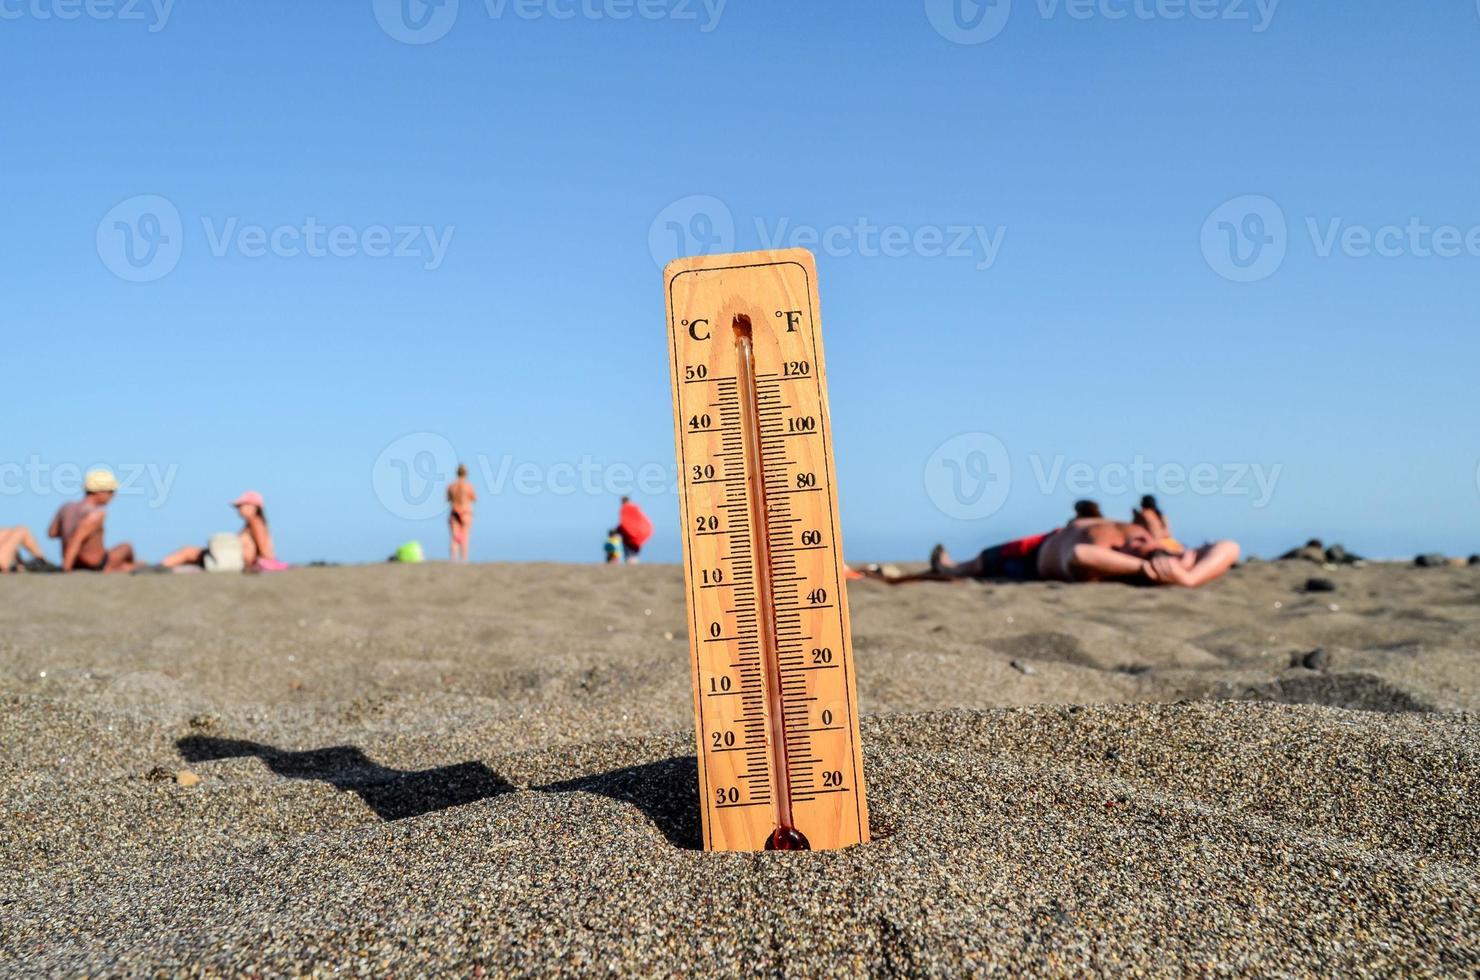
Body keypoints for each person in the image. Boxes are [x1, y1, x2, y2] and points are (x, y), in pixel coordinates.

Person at [874, 503, 1239, 589]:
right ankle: (1087, 513)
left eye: (1140, 547)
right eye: (1142, 539)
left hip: (1037, 552)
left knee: (965, 569)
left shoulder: (1111, 561)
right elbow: (1229, 546)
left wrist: (1146, 569)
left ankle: (947, 566)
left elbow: (1081, 555)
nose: (1138, 541)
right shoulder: (1170, 548)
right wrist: (1191, 573)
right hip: (1071, 531)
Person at [160, 491, 283, 572]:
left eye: (241, 506)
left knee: (187, 551)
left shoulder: (256, 523)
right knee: (188, 553)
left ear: (254, 506)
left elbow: (266, 552)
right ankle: (162, 567)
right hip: (232, 560)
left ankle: (161, 567)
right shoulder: (253, 524)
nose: (239, 509)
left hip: (233, 561)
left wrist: (258, 565)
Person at [48, 468, 137, 572]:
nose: (113, 495)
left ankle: (127, 567)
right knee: (127, 547)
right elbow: (76, 540)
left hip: (76, 561)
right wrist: (66, 569)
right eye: (111, 492)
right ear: (100, 491)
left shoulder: (66, 507)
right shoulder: (96, 514)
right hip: (95, 564)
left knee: (127, 562)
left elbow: (52, 533)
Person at [447, 464, 477, 562]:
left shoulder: (451, 486)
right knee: (465, 537)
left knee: (455, 538)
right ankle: (464, 560)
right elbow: (474, 498)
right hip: (466, 512)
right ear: (466, 474)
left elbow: (448, 499)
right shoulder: (469, 486)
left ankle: (453, 560)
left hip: (454, 511)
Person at [612, 497, 652, 564]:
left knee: (630, 551)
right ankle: (632, 560)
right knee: (632, 551)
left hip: (631, 534)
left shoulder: (625, 509)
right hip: (632, 534)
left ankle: (631, 561)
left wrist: (617, 530)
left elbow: (625, 522)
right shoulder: (635, 508)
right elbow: (625, 522)